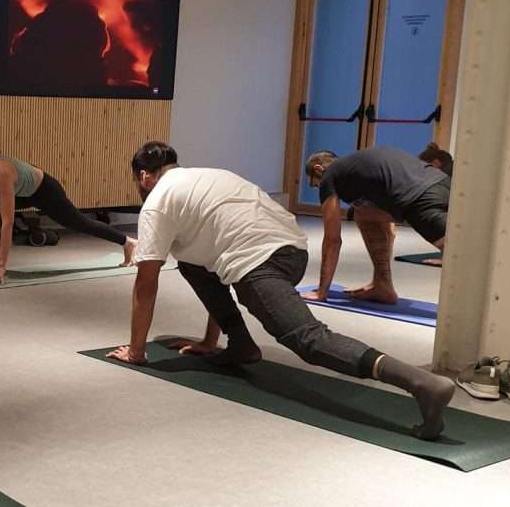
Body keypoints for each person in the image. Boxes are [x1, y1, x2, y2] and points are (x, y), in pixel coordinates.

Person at [107, 141, 455, 440]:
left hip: (259, 262)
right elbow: (207, 259)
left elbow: (146, 282)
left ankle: (422, 384)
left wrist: (137, 352)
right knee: (191, 261)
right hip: (294, 252)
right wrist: (210, 341)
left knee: (308, 338)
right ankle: (240, 344)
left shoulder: (157, 201)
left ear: (144, 176)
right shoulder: (211, 175)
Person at [0, 122, 135, 286]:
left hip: (43, 190)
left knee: (78, 222)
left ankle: (127, 242)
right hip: (22, 193)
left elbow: (7, 221)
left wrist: (2, 267)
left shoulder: (2, 169)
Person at [304, 146, 450, 304]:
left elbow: (332, 240)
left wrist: (322, 291)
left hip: (420, 198)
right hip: (443, 183)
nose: (319, 187)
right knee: (364, 214)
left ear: (318, 170)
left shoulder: (330, 174)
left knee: (461, 254)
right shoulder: (359, 167)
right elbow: (387, 225)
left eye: (315, 184)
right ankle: (383, 284)